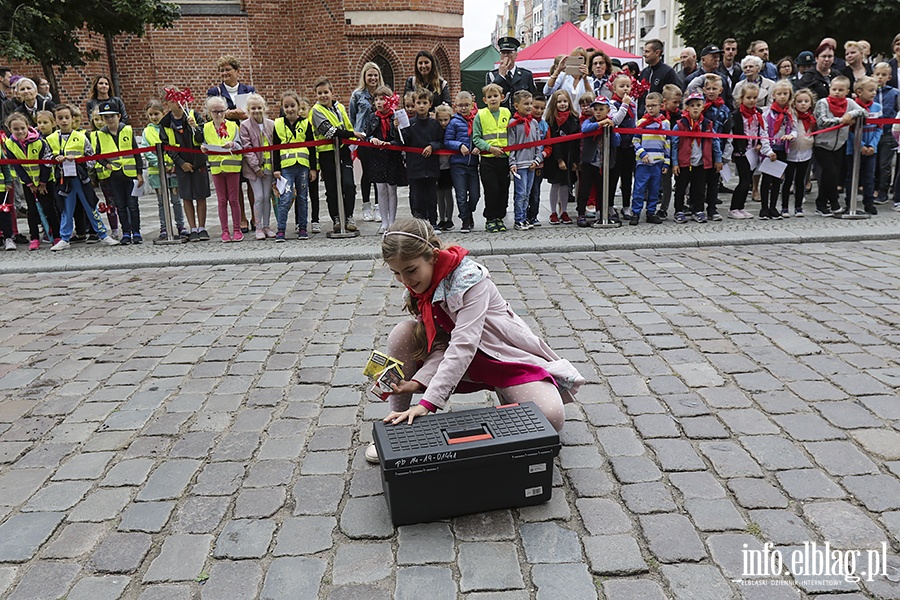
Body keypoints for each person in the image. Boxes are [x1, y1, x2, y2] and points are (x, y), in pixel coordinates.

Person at [365, 218, 584, 462]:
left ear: (433, 256)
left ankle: (508, 395)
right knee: (403, 333)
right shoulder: (418, 288)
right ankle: (395, 423)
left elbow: (463, 345)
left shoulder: (471, 280)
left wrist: (428, 404)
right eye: (397, 273)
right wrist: (416, 383)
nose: (405, 280)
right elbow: (440, 345)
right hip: (460, 362)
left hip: (501, 358)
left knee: (551, 417)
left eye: (411, 270)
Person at [46, 104, 119, 250]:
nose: (64, 121)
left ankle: (103, 235)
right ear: (55, 121)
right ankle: (65, 237)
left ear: (73, 119)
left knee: (91, 206)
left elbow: (91, 158)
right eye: (60, 118)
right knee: (66, 209)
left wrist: (78, 159)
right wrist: (56, 158)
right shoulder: (50, 139)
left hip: (81, 178)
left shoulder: (81, 136)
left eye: (67, 117)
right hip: (63, 179)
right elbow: (46, 160)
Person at [311, 77, 365, 234]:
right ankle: (336, 218)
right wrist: (352, 134)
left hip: (342, 150)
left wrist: (352, 138)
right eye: (319, 93)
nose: (323, 96)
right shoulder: (316, 111)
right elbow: (329, 131)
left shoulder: (340, 107)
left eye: (326, 92)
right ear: (316, 95)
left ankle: (348, 216)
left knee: (349, 185)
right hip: (327, 153)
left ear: (332, 92)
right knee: (332, 188)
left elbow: (346, 125)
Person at [3, 111, 60, 249]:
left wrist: (42, 183)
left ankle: (57, 235)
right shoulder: (9, 144)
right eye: (16, 129)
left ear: (27, 126)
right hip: (28, 183)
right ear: (10, 129)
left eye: (22, 128)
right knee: (32, 211)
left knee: (49, 208)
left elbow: (46, 163)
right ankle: (34, 238)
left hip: (45, 181)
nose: (20, 131)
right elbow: (17, 166)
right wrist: (29, 183)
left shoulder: (39, 142)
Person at [159, 89, 210, 242]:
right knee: (187, 197)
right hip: (182, 165)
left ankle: (202, 227)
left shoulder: (193, 115)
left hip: (198, 161)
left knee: (201, 196)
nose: (178, 104)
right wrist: (181, 163)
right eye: (173, 101)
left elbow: (202, 138)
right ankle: (192, 227)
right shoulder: (166, 123)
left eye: (180, 100)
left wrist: (195, 127)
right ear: (167, 104)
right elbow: (167, 146)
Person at [813, 76, 865, 216]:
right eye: (834, 89)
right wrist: (842, 120)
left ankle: (821, 204)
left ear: (847, 91)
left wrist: (850, 114)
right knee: (831, 173)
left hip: (839, 144)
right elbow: (822, 121)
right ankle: (834, 203)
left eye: (841, 90)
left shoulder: (849, 103)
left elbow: (863, 111)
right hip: (822, 144)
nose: (836, 92)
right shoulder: (823, 103)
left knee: (829, 176)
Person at [95, 100, 143, 244]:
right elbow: (98, 155)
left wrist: (139, 173)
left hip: (130, 173)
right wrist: (106, 165)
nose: (109, 119)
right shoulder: (100, 134)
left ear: (119, 116)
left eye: (112, 116)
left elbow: (136, 153)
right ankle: (126, 232)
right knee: (120, 205)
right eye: (106, 117)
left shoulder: (127, 130)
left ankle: (136, 231)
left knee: (133, 204)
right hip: (114, 175)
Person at [671, 92, 722, 224]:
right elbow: (674, 145)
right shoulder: (680, 124)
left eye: (698, 105)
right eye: (692, 105)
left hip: (701, 162)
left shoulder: (707, 124)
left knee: (699, 188)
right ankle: (679, 210)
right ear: (686, 107)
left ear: (703, 107)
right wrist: (675, 163)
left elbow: (715, 142)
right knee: (681, 188)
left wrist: (718, 159)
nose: (695, 108)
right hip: (684, 162)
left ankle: (698, 209)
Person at [724, 83, 772, 219]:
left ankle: (741, 207)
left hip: (753, 151)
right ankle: (734, 208)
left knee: (748, 181)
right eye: (749, 97)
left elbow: (761, 131)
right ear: (742, 98)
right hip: (741, 152)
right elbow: (732, 134)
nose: (752, 100)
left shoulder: (758, 114)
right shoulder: (736, 115)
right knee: (744, 180)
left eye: (754, 98)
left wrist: (760, 144)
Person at [273, 91, 316, 242]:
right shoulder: (278, 124)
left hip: (302, 166)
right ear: (282, 108)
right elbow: (275, 148)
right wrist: (276, 169)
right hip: (286, 168)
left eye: (292, 105)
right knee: (285, 198)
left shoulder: (305, 123)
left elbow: (312, 147)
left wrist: (313, 168)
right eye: (286, 106)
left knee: (303, 198)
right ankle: (281, 229)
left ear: (298, 106)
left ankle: (302, 227)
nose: (290, 109)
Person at [141, 99, 186, 241]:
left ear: (163, 113)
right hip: (157, 171)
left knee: (176, 200)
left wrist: (172, 164)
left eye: (156, 114)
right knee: (161, 202)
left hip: (172, 169)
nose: (154, 117)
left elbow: (175, 145)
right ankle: (164, 228)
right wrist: (160, 163)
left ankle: (181, 225)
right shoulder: (147, 131)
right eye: (151, 114)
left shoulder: (168, 127)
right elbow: (147, 151)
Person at [200, 96, 243, 242]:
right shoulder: (206, 128)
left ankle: (237, 229)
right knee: (221, 200)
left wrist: (232, 144)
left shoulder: (233, 125)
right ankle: (225, 230)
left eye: (221, 111)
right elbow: (204, 144)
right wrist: (203, 149)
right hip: (217, 167)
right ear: (209, 113)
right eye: (215, 112)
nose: (218, 115)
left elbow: (240, 145)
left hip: (232, 166)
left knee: (234, 199)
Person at [399, 88, 444, 227]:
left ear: (430, 104)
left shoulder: (435, 124)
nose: (422, 105)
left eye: (425, 102)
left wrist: (432, 146)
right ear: (414, 104)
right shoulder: (409, 123)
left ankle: (432, 222)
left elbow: (441, 141)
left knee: (431, 197)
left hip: (431, 167)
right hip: (415, 167)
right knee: (416, 197)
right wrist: (397, 129)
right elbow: (403, 141)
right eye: (419, 102)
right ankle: (418, 222)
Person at [472, 83, 511, 232]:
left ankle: (500, 217)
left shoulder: (507, 113)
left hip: (504, 159)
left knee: (503, 190)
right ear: (484, 100)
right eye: (489, 97)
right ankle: (490, 218)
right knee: (491, 190)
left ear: (501, 98)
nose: (493, 99)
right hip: (488, 160)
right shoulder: (480, 115)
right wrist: (489, 148)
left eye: (495, 96)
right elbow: (476, 138)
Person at [367, 86, 405, 233]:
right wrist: (372, 139)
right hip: (378, 156)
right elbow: (368, 133)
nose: (379, 102)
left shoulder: (395, 116)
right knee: (380, 189)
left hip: (392, 156)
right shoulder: (372, 117)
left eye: (382, 99)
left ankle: (392, 220)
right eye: (376, 99)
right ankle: (384, 221)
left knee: (391, 189)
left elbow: (402, 138)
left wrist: (394, 133)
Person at [350, 62, 384, 222]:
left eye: (375, 75)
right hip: (363, 138)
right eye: (369, 75)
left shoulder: (383, 93)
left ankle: (379, 206)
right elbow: (352, 116)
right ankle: (366, 205)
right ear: (364, 76)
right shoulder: (357, 95)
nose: (373, 78)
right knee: (367, 172)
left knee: (378, 172)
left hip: (378, 137)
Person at [577, 97, 619, 227]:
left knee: (603, 190)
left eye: (601, 109)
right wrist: (600, 124)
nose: (598, 112)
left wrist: (611, 130)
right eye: (595, 109)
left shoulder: (611, 123)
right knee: (585, 189)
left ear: (608, 110)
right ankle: (581, 214)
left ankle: (601, 213)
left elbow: (616, 142)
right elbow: (585, 129)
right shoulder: (590, 121)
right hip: (590, 162)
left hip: (604, 164)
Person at [239, 93, 276, 240]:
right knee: (258, 196)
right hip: (254, 170)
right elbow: (247, 149)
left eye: (259, 108)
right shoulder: (245, 126)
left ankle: (267, 225)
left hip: (269, 167)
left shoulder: (271, 124)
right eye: (253, 108)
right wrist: (256, 167)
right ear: (248, 110)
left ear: (264, 108)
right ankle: (258, 226)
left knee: (267, 196)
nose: (256, 111)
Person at [506, 90, 544, 231]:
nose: (529, 107)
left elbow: (538, 143)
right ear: (516, 106)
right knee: (520, 193)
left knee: (528, 193)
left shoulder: (534, 122)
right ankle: (519, 219)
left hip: (532, 163)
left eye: (530, 104)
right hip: (520, 164)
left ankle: (525, 218)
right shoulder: (513, 123)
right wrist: (512, 162)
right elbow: (511, 145)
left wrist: (537, 159)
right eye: (525, 104)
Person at [443, 91, 479, 234]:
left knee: (476, 195)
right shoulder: (454, 122)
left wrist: (479, 146)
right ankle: (465, 219)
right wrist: (459, 145)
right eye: (461, 105)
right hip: (458, 164)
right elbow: (447, 141)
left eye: (466, 105)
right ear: (455, 106)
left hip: (473, 164)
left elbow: (480, 137)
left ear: (472, 105)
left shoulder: (476, 120)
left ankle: (469, 213)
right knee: (461, 195)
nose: (464, 108)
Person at [630, 91, 669, 225]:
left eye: (654, 105)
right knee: (639, 189)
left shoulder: (665, 124)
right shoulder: (641, 122)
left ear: (661, 106)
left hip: (657, 162)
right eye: (648, 106)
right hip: (643, 162)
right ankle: (635, 212)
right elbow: (635, 140)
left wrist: (666, 162)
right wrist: (642, 153)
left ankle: (651, 212)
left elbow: (667, 144)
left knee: (655, 189)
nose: (651, 108)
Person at [844, 76, 881, 215]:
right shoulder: (852, 107)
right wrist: (861, 146)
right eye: (870, 90)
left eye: (875, 91)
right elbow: (850, 131)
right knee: (852, 177)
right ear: (859, 92)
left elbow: (879, 128)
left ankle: (869, 203)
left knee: (869, 177)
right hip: (853, 149)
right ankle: (850, 202)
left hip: (871, 149)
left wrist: (872, 145)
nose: (874, 93)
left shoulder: (877, 107)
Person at [542, 89, 578, 225]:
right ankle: (553, 212)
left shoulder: (574, 118)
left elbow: (576, 143)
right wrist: (559, 160)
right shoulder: (551, 120)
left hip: (570, 156)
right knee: (555, 185)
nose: (562, 104)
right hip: (556, 158)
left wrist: (575, 161)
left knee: (566, 186)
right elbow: (552, 141)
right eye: (559, 102)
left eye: (565, 101)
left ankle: (564, 211)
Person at [761, 81, 795, 219]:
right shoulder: (767, 113)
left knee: (777, 180)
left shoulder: (789, 114)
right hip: (770, 150)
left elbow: (794, 129)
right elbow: (763, 133)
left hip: (782, 149)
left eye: (785, 94)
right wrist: (768, 151)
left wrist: (791, 136)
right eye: (779, 94)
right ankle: (764, 208)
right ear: (773, 95)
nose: (782, 97)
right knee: (766, 179)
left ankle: (773, 207)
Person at [699, 74, 732, 218]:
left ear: (720, 90)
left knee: (714, 181)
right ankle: (698, 207)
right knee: (699, 181)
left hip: (716, 151)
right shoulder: (699, 106)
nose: (711, 91)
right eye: (708, 88)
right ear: (704, 90)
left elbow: (728, 132)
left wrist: (725, 155)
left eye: (714, 88)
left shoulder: (724, 110)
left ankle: (712, 208)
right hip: (699, 149)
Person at [782, 88, 816, 217]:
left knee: (800, 180)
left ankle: (798, 207)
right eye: (800, 101)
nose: (803, 104)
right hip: (791, 151)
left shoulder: (812, 118)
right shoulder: (791, 116)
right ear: (794, 103)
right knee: (788, 180)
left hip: (806, 151)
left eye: (806, 101)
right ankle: (784, 207)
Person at [608, 74, 637, 218]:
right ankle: (610, 205)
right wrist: (624, 105)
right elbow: (615, 121)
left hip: (630, 144)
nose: (625, 89)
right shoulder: (612, 103)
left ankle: (626, 206)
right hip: (617, 145)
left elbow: (634, 121)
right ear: (614, 88)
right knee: (613, 176)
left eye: (628, 86)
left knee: (627, 177)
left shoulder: (633, 103)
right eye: (621, 86)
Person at [486, 37, 537, 111]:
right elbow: (489, 95)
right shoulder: (492, 75)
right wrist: (500, 76)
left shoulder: (526, 75)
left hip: (521, 117)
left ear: (516, 55)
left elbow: (533, 97)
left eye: (509, 53)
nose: (506, 56)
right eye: (503, 53)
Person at [873, 62, 899, 203]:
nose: (880, 77)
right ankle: (874, 188)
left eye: (883, 75)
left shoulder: (895, 93)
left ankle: (883, 189)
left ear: (889, 77)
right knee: (873, 163)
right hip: (873, 132)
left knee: (885, 164)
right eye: (877, 74)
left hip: (889, 134)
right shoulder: (870, 92)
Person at [295, 98, 321, 234]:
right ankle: (298, 221)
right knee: (299, 194)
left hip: (313, 165)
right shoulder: (296, 126)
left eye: (303, 109)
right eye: (299, 109)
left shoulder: (312, 125)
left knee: (314, 194)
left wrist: (315, 167)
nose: (300, 112)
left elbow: (314, 149)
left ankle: (315, 220)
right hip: (299, 165)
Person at [657, 84, 683, 220]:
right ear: (665, 102)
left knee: (679, 183)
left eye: (679, 102)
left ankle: (679, 206)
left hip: (678, 154)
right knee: (664, 182)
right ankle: (662, 208)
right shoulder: (658, 116)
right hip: (662, 155)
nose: (677, 105)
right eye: (675, 102)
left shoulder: (680, 117)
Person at [542, 48, 591, 117]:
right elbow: (547, 91)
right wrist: (558, 70)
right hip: (561, 117)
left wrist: (585, 79)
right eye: (574, 59)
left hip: (581, 118)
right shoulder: (563, 76)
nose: (577, 63)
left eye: (580, 60)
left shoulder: (589, 80)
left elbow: (591, 98)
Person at [640, 39, 682, 114]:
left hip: (661, 118)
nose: (644, 54)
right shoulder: (644, 72)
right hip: (644, 117)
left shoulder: (668, 72)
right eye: (644, 51)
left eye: (647, 52)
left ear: (657, 53)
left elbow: (674, 95)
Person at [526, 94, 548, 227]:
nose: (539, 111)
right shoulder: (524, 122)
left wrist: (543, 155)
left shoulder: (545, 125)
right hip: (524, 163)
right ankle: (522, 215)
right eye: (536, 107)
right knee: (524, 192)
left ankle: (533, 215)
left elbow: (549, 145)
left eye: (542, 108)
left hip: (539, 164)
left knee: (535, 192)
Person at [434, 105, 455, 230]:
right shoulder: (435, 130)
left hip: (448, 166)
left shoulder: (451, 129)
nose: (443, 123)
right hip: (437, 167)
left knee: (448, 194)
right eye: (440, 120)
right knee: (439, 195)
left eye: (445, 120)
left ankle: (449, 219)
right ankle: (441, 219)